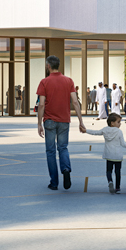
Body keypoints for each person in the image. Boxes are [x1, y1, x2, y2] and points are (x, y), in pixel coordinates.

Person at [34, 55, 82, 190]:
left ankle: (54, 183)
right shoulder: (69, 81)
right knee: (63, 148)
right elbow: (75, 102)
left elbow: (41, 104)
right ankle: (66, 170)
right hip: (64, 120)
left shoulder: (44, 82)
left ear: (48, 66)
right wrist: (80, 121)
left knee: (50, 151)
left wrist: (39, 123)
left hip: (49, 120)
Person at [78, 111, 126, 193]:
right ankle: (117, 187)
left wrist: (86, 130)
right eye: (118, 122)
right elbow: (123, 143)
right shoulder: (119, 132)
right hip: (118, 156)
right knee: (117, 172)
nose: (120, 124)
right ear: (112, 123)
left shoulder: (105, 130)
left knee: (109, 171)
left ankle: (110, 181)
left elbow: (95, 132)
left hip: (109, 155)